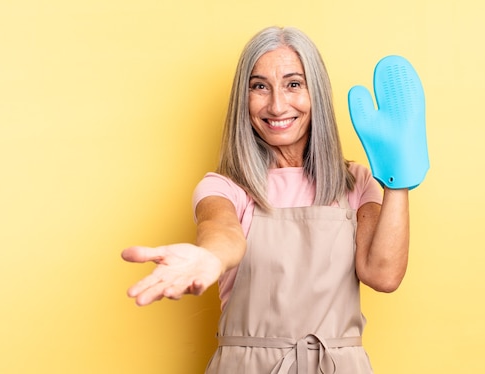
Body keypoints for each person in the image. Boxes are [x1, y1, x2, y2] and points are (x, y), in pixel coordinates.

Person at [122, 26, 418, 373]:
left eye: (294, 84)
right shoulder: (225, 187)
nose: (277, 105)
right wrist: (209, 258)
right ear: (243, 99)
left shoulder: (354, 182)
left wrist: (398, 178)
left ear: (316, 93)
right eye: (260, 86)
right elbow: (222, 230)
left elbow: (384, 276)